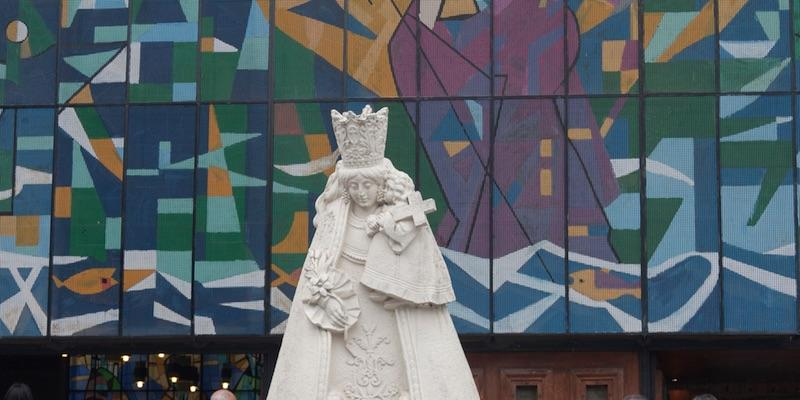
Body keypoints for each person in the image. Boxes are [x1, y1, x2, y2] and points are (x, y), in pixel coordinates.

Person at [267, 105, 479, 400]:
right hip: (346, 310)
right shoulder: (334, 219)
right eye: (354, 185)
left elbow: (418, 266)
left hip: (391, 306)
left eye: (368, 184)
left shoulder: (401, 215)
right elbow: (320, 266)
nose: (361, 191)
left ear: (381, 183)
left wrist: (392, 232)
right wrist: (324, 289)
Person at [361, 169, 455, 307]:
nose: (383, 191)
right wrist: (373, 222)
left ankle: (405, 299)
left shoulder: (412, 211)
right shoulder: (388, 207)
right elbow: (376, 220)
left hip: (412, 256)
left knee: (410, 282)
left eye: (387, 188)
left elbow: (402, 235)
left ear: (396, 191)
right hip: (395, 256)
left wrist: (386, 223)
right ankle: (384, 287)